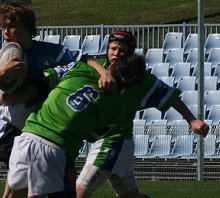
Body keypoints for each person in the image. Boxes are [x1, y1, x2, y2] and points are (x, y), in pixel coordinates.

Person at [75, 31, 209, 198]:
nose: (116, 53)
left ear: (130, 53)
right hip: (110, 142)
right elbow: (79, 57)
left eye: (122, 50)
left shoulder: (141, 79)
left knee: (76, 195)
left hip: (113, 142)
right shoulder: (97, 65)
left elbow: (171, 97)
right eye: (113, 48)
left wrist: (192, 120)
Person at [6, 54, 148, 198]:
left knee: (14, 194)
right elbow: (93, 136)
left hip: (26, 137)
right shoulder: (118, 109)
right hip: (57, 149)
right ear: (132, 85)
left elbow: (47, 78)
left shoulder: (79, 68)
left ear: (111, 66)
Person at [0, 1, 74, 197]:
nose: (6, 32)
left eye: (11, 26)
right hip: (15, 128)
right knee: (19, 184)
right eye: (3, 26)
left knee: (34, 185)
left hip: (49, 125)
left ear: (28, 28)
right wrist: (2, 72)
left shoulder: (54, 53)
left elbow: (81, 63)